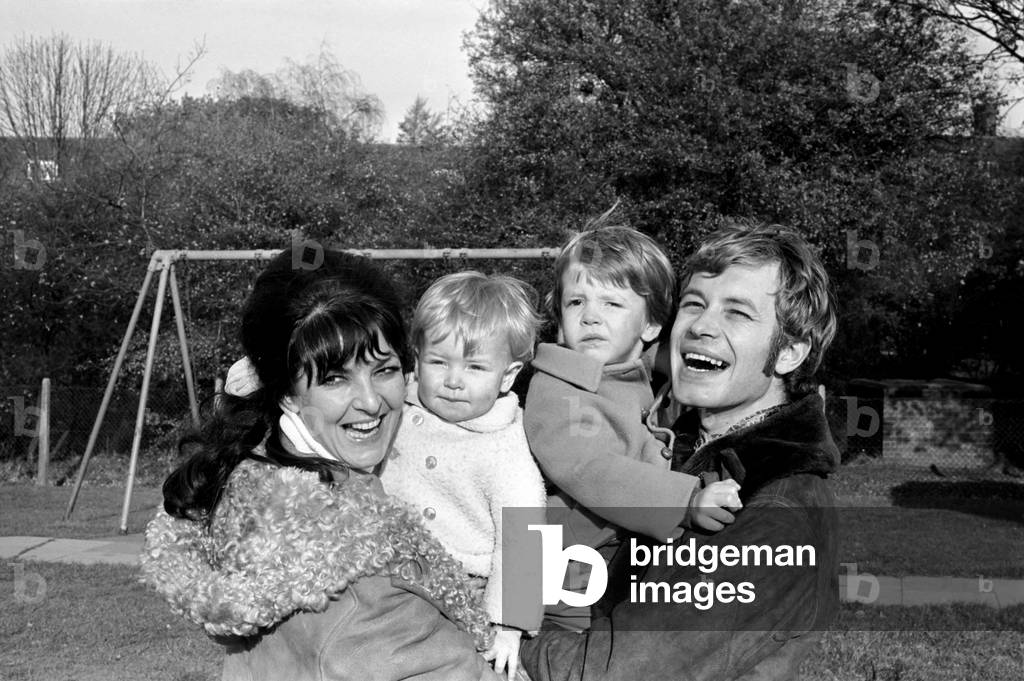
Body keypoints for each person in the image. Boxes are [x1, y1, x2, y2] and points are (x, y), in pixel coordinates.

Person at [140, 247, 501, 681]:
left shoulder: (244, 477)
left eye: (384, 370)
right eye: (335, 378)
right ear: (285, 390)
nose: (371, 402)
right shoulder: (365, 582)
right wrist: (523, 632)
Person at [521, 221, 841, 681]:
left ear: (789, 353)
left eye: (737, 313)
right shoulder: (677, 438)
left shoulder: (777, 512)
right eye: (693, 304)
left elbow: (611, 675)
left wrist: (491, 621)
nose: (700, 327)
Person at [523, 221, 742, 632]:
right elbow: (591, 468)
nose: (590, 317)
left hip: (606, 567)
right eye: (575, 303)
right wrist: (684, 501)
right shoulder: (555, 388)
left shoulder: (633, 381)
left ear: (651, 326)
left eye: (611, 304)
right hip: (559, 581)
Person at [380, 271, 547, 679]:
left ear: (507, 376)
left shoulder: (503, 446)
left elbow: (524, 529)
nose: (454, 381)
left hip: (462, 590)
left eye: (475, 367)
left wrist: (508, 624)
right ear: (416, 357)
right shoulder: (395, 407)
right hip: (385, 574)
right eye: (439, 362)